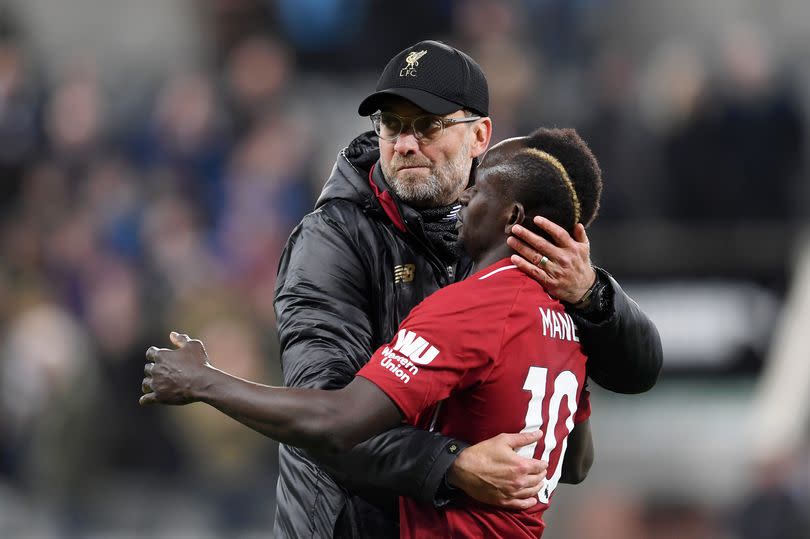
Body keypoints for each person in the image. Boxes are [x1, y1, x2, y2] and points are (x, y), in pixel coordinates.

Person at [151, 40, 661, 538]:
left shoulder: (528, 250)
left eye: (429, 125)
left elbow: (631, 381)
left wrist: (593, 293)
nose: (405, 143)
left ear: (480, 135)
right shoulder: (332, 241)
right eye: (393, 125)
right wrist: (451, 465)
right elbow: (322, 419)